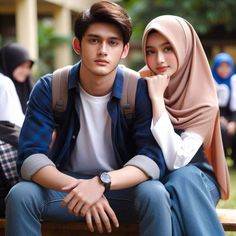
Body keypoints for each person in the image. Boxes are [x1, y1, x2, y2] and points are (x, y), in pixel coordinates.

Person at [5, 2, 168, 236]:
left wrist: (100, 183)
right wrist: (82, 188)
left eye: (112, 42)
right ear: (77, 45)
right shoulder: (50, 87)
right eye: (94, 40)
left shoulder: (138, 90)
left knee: (155, 193)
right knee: (21, 195)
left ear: (124, 50)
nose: (103, 50)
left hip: (119, 187)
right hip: (65, 189)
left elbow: (152, 159)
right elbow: (30, 157)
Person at [139, 15, 230, 235]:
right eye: (150, 51)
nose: (159, 59)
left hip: (197, 180)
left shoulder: (204, 100)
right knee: (159, 195)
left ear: (185, 48)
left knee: (182, 178)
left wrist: (158, 100)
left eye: (168, 48)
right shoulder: (140, 84)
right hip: (155, 178)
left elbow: (177, 160)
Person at [0, 45, 28, 216]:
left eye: (28, 66)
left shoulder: (30, 88)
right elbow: (11, 123)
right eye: (21, 65)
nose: (26, 72)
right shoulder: (4, 83)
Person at [212, 52, 236, 166]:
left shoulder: (234, 81)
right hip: (216, 117)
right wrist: (219, 118)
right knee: (220, 130)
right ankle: (221, 162)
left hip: (233, 117)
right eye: (221, 66)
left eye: (227, 66)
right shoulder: (210, 82)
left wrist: (234, 122)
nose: (224, 69)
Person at [0, 43, 34, 113]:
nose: (26, 71)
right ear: (9, 63)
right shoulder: (3, 86)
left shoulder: (28, 87)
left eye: (28, 67)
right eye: (22, 66)